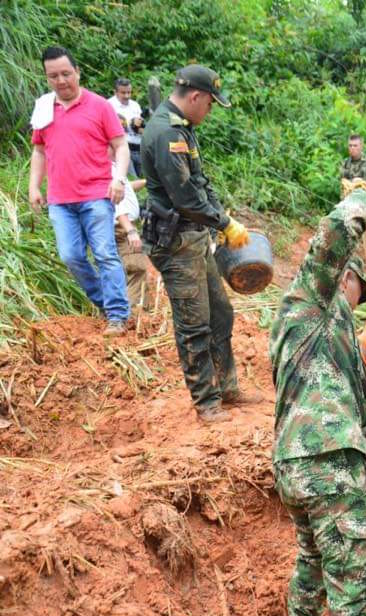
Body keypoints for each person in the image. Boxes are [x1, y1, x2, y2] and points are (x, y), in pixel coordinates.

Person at [271, 185, 366, 616]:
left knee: (314, 559)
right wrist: (362, 200)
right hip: (326, 459)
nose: (357, 301)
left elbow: (343, 399)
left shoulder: (331, 335)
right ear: (344, 277)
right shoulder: (309, 302)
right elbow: (332, 235)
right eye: (358, 290)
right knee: (357, 566)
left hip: (298, 463)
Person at [141, 64, 260, 422]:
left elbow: (200, 182)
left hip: (194, 238)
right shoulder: (167, 133)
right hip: (176, 243)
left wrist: (222, 217)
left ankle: (226, 387)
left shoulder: (183, 128)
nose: (210, 110)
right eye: (210, 103)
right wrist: (223, 223)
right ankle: (206, 402)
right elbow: (185, 198)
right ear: (195, 96)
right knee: (194, 325)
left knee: (220, 314)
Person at [29, 46, 131, 336]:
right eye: (53, 76)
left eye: (66, 73)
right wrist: (34, 186)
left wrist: (119, 179)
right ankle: (105, 302)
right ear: (47, 78)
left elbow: (121, 145)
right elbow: (39, 151)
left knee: (105, 254)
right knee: (70, 256)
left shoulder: (99, 106)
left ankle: (117, 315)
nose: (61, 81)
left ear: (77, 72)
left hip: (96, 194)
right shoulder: (44, 108)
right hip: (60, 199)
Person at [112, 162, 149, 310]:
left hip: (121, 226)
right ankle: (132, 312)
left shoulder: (114, 167)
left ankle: (121, 310)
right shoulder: (107, 168)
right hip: (121, 226)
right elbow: (116, 202)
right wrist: (130, 230)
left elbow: (125, 188)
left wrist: (146, 182)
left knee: (122, 268)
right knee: (136, 268)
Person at [108, 78, 145, 177]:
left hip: (138, 147)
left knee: (142, 179)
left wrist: (139, 125)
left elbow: (140, 129)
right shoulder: (109, 105)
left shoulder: (135, 105)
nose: (127, 96)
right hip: (121, 148)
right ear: (115, 92)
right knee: (131, 179)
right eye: (123, 93)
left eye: (129, 92)